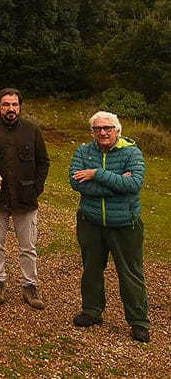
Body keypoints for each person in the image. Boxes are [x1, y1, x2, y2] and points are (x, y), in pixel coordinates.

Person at [69, 111, 150, 343]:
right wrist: (117, 183)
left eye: (107, 128)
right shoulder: (84, 151)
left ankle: (139, 321)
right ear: (92, 131)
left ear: (117, 130)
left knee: (131, 273)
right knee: (92, 269)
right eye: (97, 129)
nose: (102, 132)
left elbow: (134, 184)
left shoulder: (131, 152)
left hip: (125, 224)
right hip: (91, 222)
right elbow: (76, 183)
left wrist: (96, 174)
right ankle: (92, 311)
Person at [0, 88, 50, 309]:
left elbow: (43, 162)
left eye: (15, 104)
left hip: (25, 198)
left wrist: (36, 187)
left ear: (20, 106)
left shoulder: (32, 130)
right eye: (6, 105)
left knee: (28, 246)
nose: (11, 109)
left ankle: (30, 286)